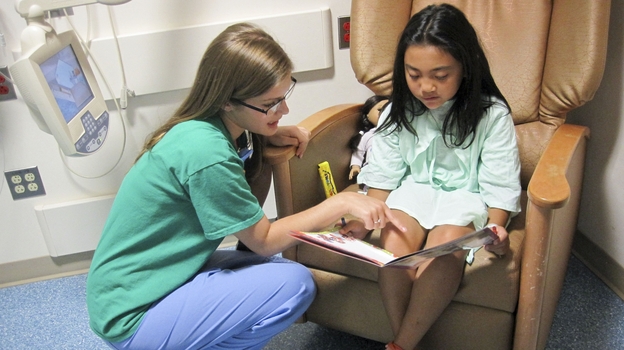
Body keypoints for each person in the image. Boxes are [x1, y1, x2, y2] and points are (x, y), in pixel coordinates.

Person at [86, 22, 405, 350]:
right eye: (270, 104)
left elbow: (249, 217)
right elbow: (263, 240)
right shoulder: (206, 152)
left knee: (270, 273)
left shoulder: (214, 130)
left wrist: (265, 133)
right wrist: (338, 204)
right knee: (294, 285)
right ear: (227, 101)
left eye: (284, 96)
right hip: (131, 315)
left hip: (149, 280)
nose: (284, 110)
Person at [344, 4, 522, 350]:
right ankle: (406, 344)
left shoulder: (492, 115)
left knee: (445, 252)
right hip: (413, 193)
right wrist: (365, 221)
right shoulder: (398, 110)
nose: (426, 87)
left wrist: (496, 230)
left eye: (440, 76)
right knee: (393, 246)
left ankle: (401, 344)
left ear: (465, 67)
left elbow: (500, 182)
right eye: (414, 74)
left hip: (464, 196)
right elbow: (385, 172)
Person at [348, 95, 389, 182]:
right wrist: (355, 166)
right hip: (372, 168)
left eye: (389, 110)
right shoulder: (367, 136)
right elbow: (358, 153)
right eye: (380, 110)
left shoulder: (396, 131)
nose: (385, 113)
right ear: (368, 115)